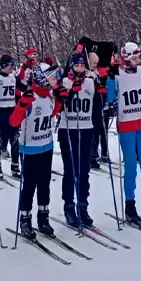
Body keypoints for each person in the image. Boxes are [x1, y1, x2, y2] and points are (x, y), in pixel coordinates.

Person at [106, 41, 141, 223]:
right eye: (135, 58)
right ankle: (130, 204)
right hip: (127, 125)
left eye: (139, 58)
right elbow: (110, 98)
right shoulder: (117, 74)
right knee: (130, 166)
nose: (138, 61)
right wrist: (109, 78)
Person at [10, 66, 62, 239]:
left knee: (44, 184)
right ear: (42, 79)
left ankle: (43, 218)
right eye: (52, 78)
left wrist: (61, 100)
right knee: (29, 186)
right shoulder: (31, 97)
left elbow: (53, 112)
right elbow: (14, 121)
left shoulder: (49, 97)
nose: (56, 81)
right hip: (30, 149)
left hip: (46, 146)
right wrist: (22, 104)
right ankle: (25, 219)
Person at [57, 52, 97, 227]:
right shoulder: (64, 81)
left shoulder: (90, 82)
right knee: (70, 169)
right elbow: (60, 104)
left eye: (82, 66)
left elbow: (96, 108)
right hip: (68, 130)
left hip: (86, 129)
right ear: (71, 66)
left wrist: (102, 93)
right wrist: (70, 91)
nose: (80, 69)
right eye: (77, 66)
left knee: (84, 170)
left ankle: (83, 205)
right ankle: (69, 205)